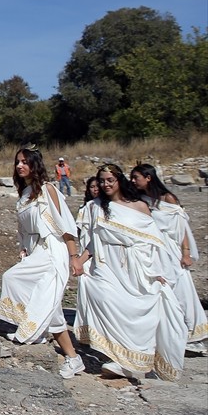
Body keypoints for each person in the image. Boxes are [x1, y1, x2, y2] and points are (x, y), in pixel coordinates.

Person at [73, 163, 185, 381]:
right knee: (104, 298)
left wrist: (158, 272)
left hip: (135, 266)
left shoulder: (139, 206)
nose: (105, 185)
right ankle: (117, 355)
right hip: (107, 264)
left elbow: (154, 244)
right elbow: (94, 243)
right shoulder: (96, 207)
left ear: (119, 181)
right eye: (102, 181)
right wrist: (79, 260)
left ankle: (129, 360)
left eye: (109, 180)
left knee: (134, 310)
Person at [0, 147, 85, 379]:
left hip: (52, 249)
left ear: (34, 164)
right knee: (48, 303)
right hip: (36, 251)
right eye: (17, 162)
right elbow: (24, 229)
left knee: (20, 282)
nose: (19, 166)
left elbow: (65, 224)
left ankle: (69, 354)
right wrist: (24, 247)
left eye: (24, 162)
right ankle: (70, 355)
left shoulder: (48, 190)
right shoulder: (25, 193)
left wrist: (74, 257)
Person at [131, 163, 207, 355]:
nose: (133, 181)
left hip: (171, 251)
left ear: (148, 177)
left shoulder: (167, 199)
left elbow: (182, 229)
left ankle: (193, 334)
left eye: (136, 177)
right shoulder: (139, 200)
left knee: (182, 291)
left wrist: (186, 253)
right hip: (153, 251)